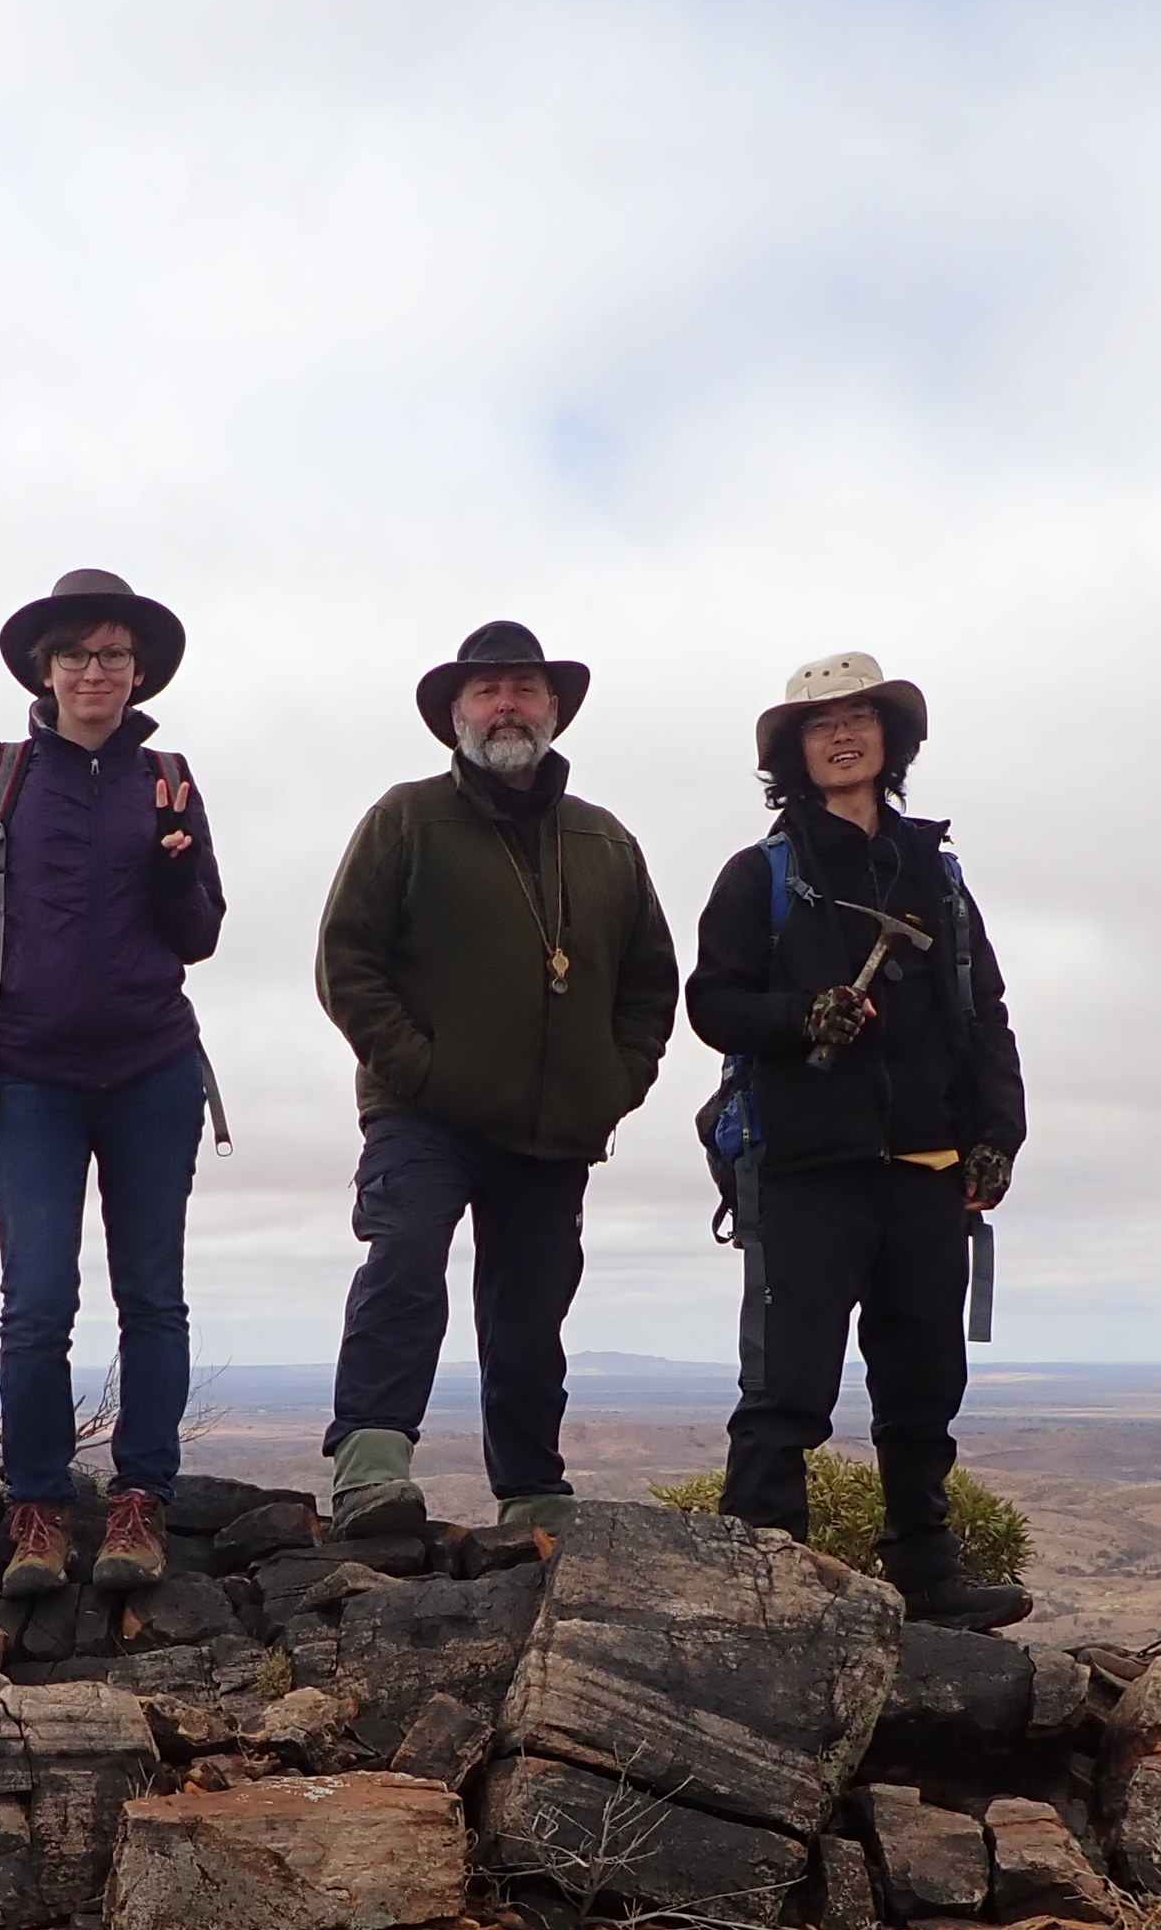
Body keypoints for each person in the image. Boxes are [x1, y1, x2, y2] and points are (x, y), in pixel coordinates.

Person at [686, 652, 1030, 1628]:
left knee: (922, 1386)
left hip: (926, 1174)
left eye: (858, 719)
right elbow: (712, 1003)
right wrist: (803, 1017)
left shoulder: (936, 877)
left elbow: (986, 1014)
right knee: (785, 1381)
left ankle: (927, 1572)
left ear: (889, 740)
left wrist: (998, 1133)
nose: (841, 736)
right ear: (793, 753)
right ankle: (761, 1574)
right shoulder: (761, 876)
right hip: (802, 1172)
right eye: (818, 725)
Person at [315, 619, 678, 1536]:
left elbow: (650, 983)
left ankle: (532, 1494)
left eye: (524, 687)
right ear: (454, 715)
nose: (506, 704)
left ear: (554, 708)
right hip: (423, 1116)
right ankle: (370, 1471)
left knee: (531, 1313)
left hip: (555, 1126)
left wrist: (612, 1084)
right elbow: (345, 963)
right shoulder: (406, 818)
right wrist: (420, 1070)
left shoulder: (604, 841)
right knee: (403, 1265)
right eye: (486, 691)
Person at [0, 569, 225, 1597]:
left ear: (138, 676)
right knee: (37, 1302)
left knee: (153, 1297)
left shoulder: (168, 778)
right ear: (44, 673)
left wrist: (177, 872)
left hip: (152, 1070)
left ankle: (140, 1506)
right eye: (75, 656)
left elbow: (201, 935)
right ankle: (38, 1509)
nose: (95, 672)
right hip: (31, 1079)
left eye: (113, 657)